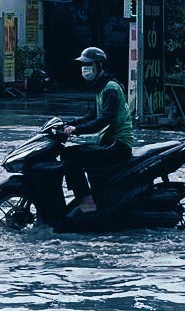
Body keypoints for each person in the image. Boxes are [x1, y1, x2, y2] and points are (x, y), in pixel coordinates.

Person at [61, 47, 135, 214]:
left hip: (118, 145)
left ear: (99, 66)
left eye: (88, 65)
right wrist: (68, 123)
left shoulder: (111, 88)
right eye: (83, 65)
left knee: (71, 156)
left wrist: (76, 130)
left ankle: (87, 203)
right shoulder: (101, 88)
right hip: (108, 142)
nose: (84, 69)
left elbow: (103, 120)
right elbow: (93, 114)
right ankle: (90, 198)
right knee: (69, 154)